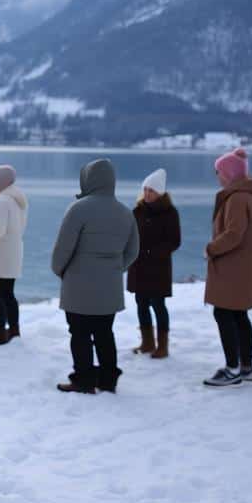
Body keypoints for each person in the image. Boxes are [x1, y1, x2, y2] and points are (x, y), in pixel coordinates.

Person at [52, 159, 139, 394]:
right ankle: (108, 379)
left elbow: (63, 249)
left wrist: (60, 271)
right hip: (109, 287)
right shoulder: (125, 212)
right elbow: (133, 251)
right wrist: (115, 269)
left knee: (79, 333)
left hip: (78, 286)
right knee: (104, 333)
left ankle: (84, 380)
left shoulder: (78, 209)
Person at [203, 148, 252, 387]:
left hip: (232, 268)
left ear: (229, 174)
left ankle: (232, 368)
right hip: (244, 268)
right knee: (240, 315)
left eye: (219, 172)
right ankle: (246, 366)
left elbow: (233, 234)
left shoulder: (237, 198)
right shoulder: (250, 197)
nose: (217, 176)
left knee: (224, 313)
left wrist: (211, 248)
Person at [127, 168, 181, 359]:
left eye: (152, 190)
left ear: (160, 192)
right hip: (139, 266)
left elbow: (174, 241)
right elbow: (129, 236)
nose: (148, 193)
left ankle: (163, 346)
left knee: (158, 304)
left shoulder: (170, 213)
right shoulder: (137, 211)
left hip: (158, 268)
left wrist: (153, 252)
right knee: (141, 303)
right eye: (146, 189)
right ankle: (147, 342)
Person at [0, 165, 29, 346]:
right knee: (8, 293)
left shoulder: (1, 200)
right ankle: (14, 330)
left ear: (2, 180)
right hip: (13, 253)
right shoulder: (18, 199)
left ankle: (0, 332)